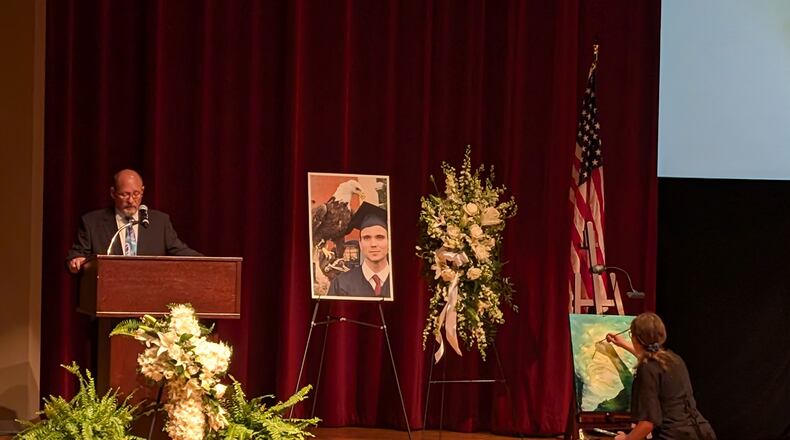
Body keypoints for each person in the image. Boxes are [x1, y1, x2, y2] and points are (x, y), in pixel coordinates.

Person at [66, 169, 201, 273]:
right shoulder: (92, 222)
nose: (131, 200)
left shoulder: (160, 222)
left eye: (136, 194)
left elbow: (180, 251)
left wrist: (209, 263)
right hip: (108, 293)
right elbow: (77, 254)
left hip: (149, 294)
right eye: (124, 194)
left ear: (142, 191)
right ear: (113, 193)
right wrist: (76, 261)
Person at [606, 313, 716, 440]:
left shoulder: (647, 369)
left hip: (674, 435)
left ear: (636, 338)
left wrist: (627, 438)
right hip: (702, 432)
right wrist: (623, 344)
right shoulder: (675, 359)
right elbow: (651, 358)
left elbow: (647, 423)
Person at [327, 202, 392, 298]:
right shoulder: (340, 284)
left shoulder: (404, 282)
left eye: (379, 237)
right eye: (367, 238)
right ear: (360, 244)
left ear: (389, 242)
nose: (373, 244)